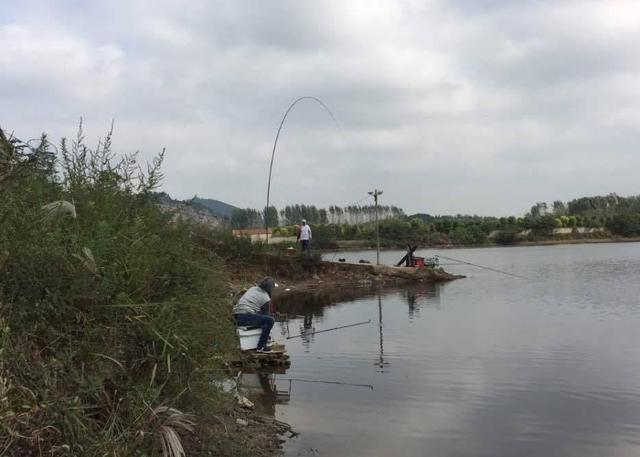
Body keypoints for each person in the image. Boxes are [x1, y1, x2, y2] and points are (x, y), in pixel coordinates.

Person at [233, 277, 277, 352]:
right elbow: (266, 315)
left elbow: (253, 306)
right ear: (270, 289)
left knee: (264, 320)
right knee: (270, 321)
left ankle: (260, 341)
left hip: (235, 317)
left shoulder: (253, 288)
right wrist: (272, 316)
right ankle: (261, 347)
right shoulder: (266, 298)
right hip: (244, 318)